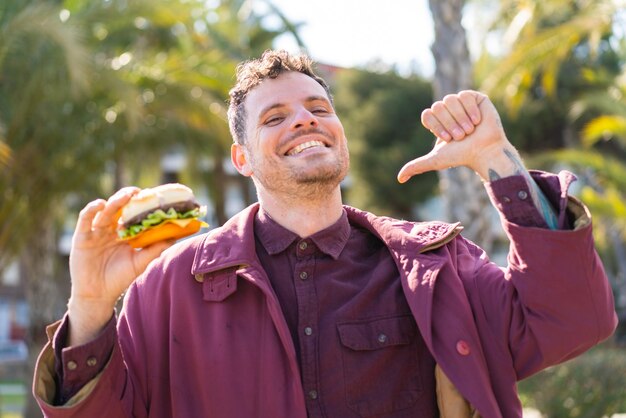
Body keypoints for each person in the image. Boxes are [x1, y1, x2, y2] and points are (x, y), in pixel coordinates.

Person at [33, 49, 616, 418]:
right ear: (242, 157)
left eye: (317, 107)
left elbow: (572, 321)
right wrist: (88, 304)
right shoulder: (166, 288)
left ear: (340, 132)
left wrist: (497, 158)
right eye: (274, 117)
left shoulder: (436, 266)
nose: (304, 119)